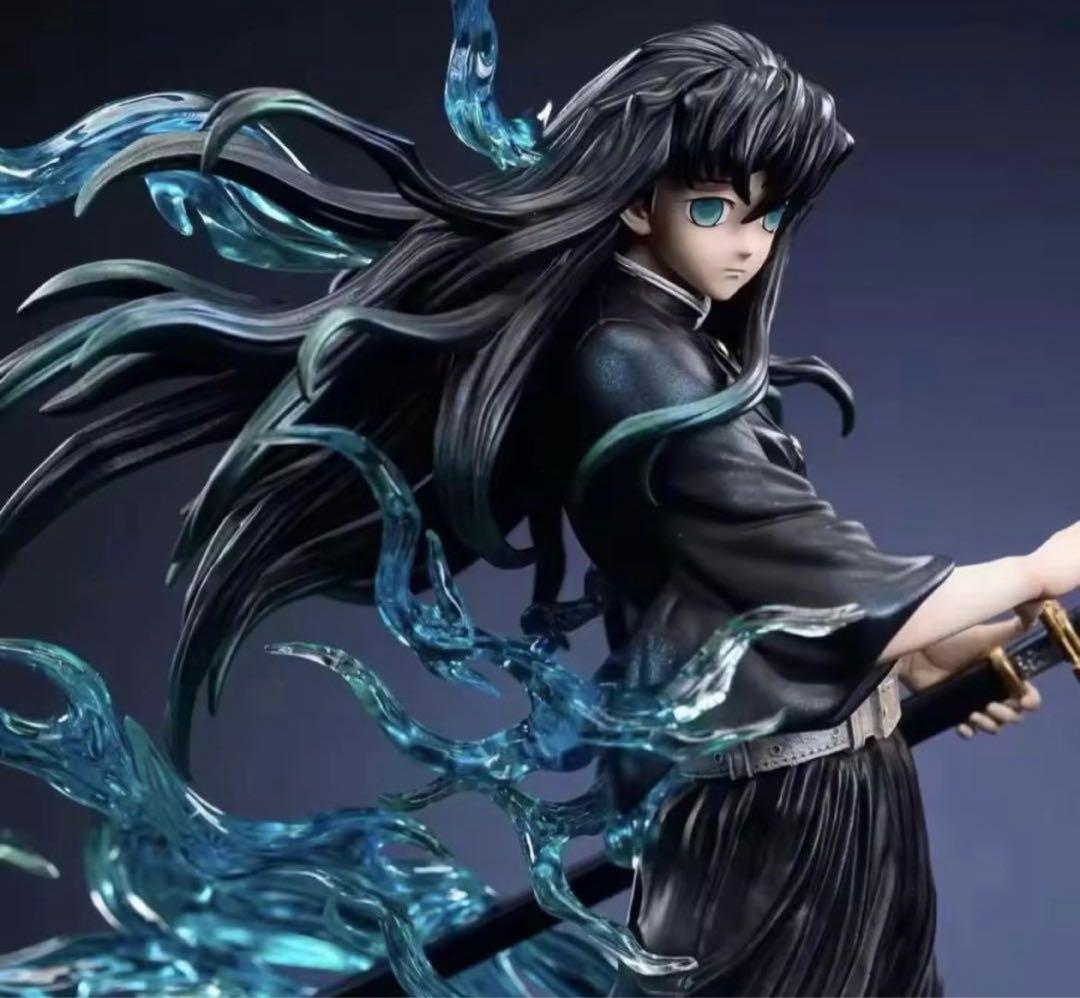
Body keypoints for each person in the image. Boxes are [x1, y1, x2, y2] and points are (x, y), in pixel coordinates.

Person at [1, 16, 1075, 998]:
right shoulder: (627, 358)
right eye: (716, 209)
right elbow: (791, 562)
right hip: (769, 817)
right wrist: (1028, 574)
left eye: (772, 214)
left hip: (825, 787)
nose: (750, 243)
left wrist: (903, 665)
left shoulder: (675, 337)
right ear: (638, 198)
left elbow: (729, 590)